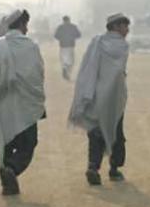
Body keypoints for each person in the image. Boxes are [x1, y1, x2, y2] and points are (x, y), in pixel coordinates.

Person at [0, 9, 46, 195]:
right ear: (21, 25)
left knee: (6, 145)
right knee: (29, 143)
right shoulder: (31, 46)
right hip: (26, 105)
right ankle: (12, 170)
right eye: (26, 25)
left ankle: (7, 182)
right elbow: (38, 74)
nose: (27, 29)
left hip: (3, 104)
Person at [68, 13, 130, 185]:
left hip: (96, 95)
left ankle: (93, 166)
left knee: (96, 133)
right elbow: (118, 73)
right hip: (114, 98)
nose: (127, 30)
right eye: (125, 26)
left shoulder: (97, 43)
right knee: (116, 132)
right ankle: (114, 169)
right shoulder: (122, 46)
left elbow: (89, 68)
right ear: (116, 27)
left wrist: (86, 93)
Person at [54, 15, 81, 80]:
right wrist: (73, 37)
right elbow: (79, 35)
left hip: (63, 46)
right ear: (69, 20)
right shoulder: (73, 27)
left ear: (63, 20)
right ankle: (67, 71)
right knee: (71, 61)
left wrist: (61, 38)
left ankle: (64, 68)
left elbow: (56, 36)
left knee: (64, 59)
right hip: (71, 45)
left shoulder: (60, 27)